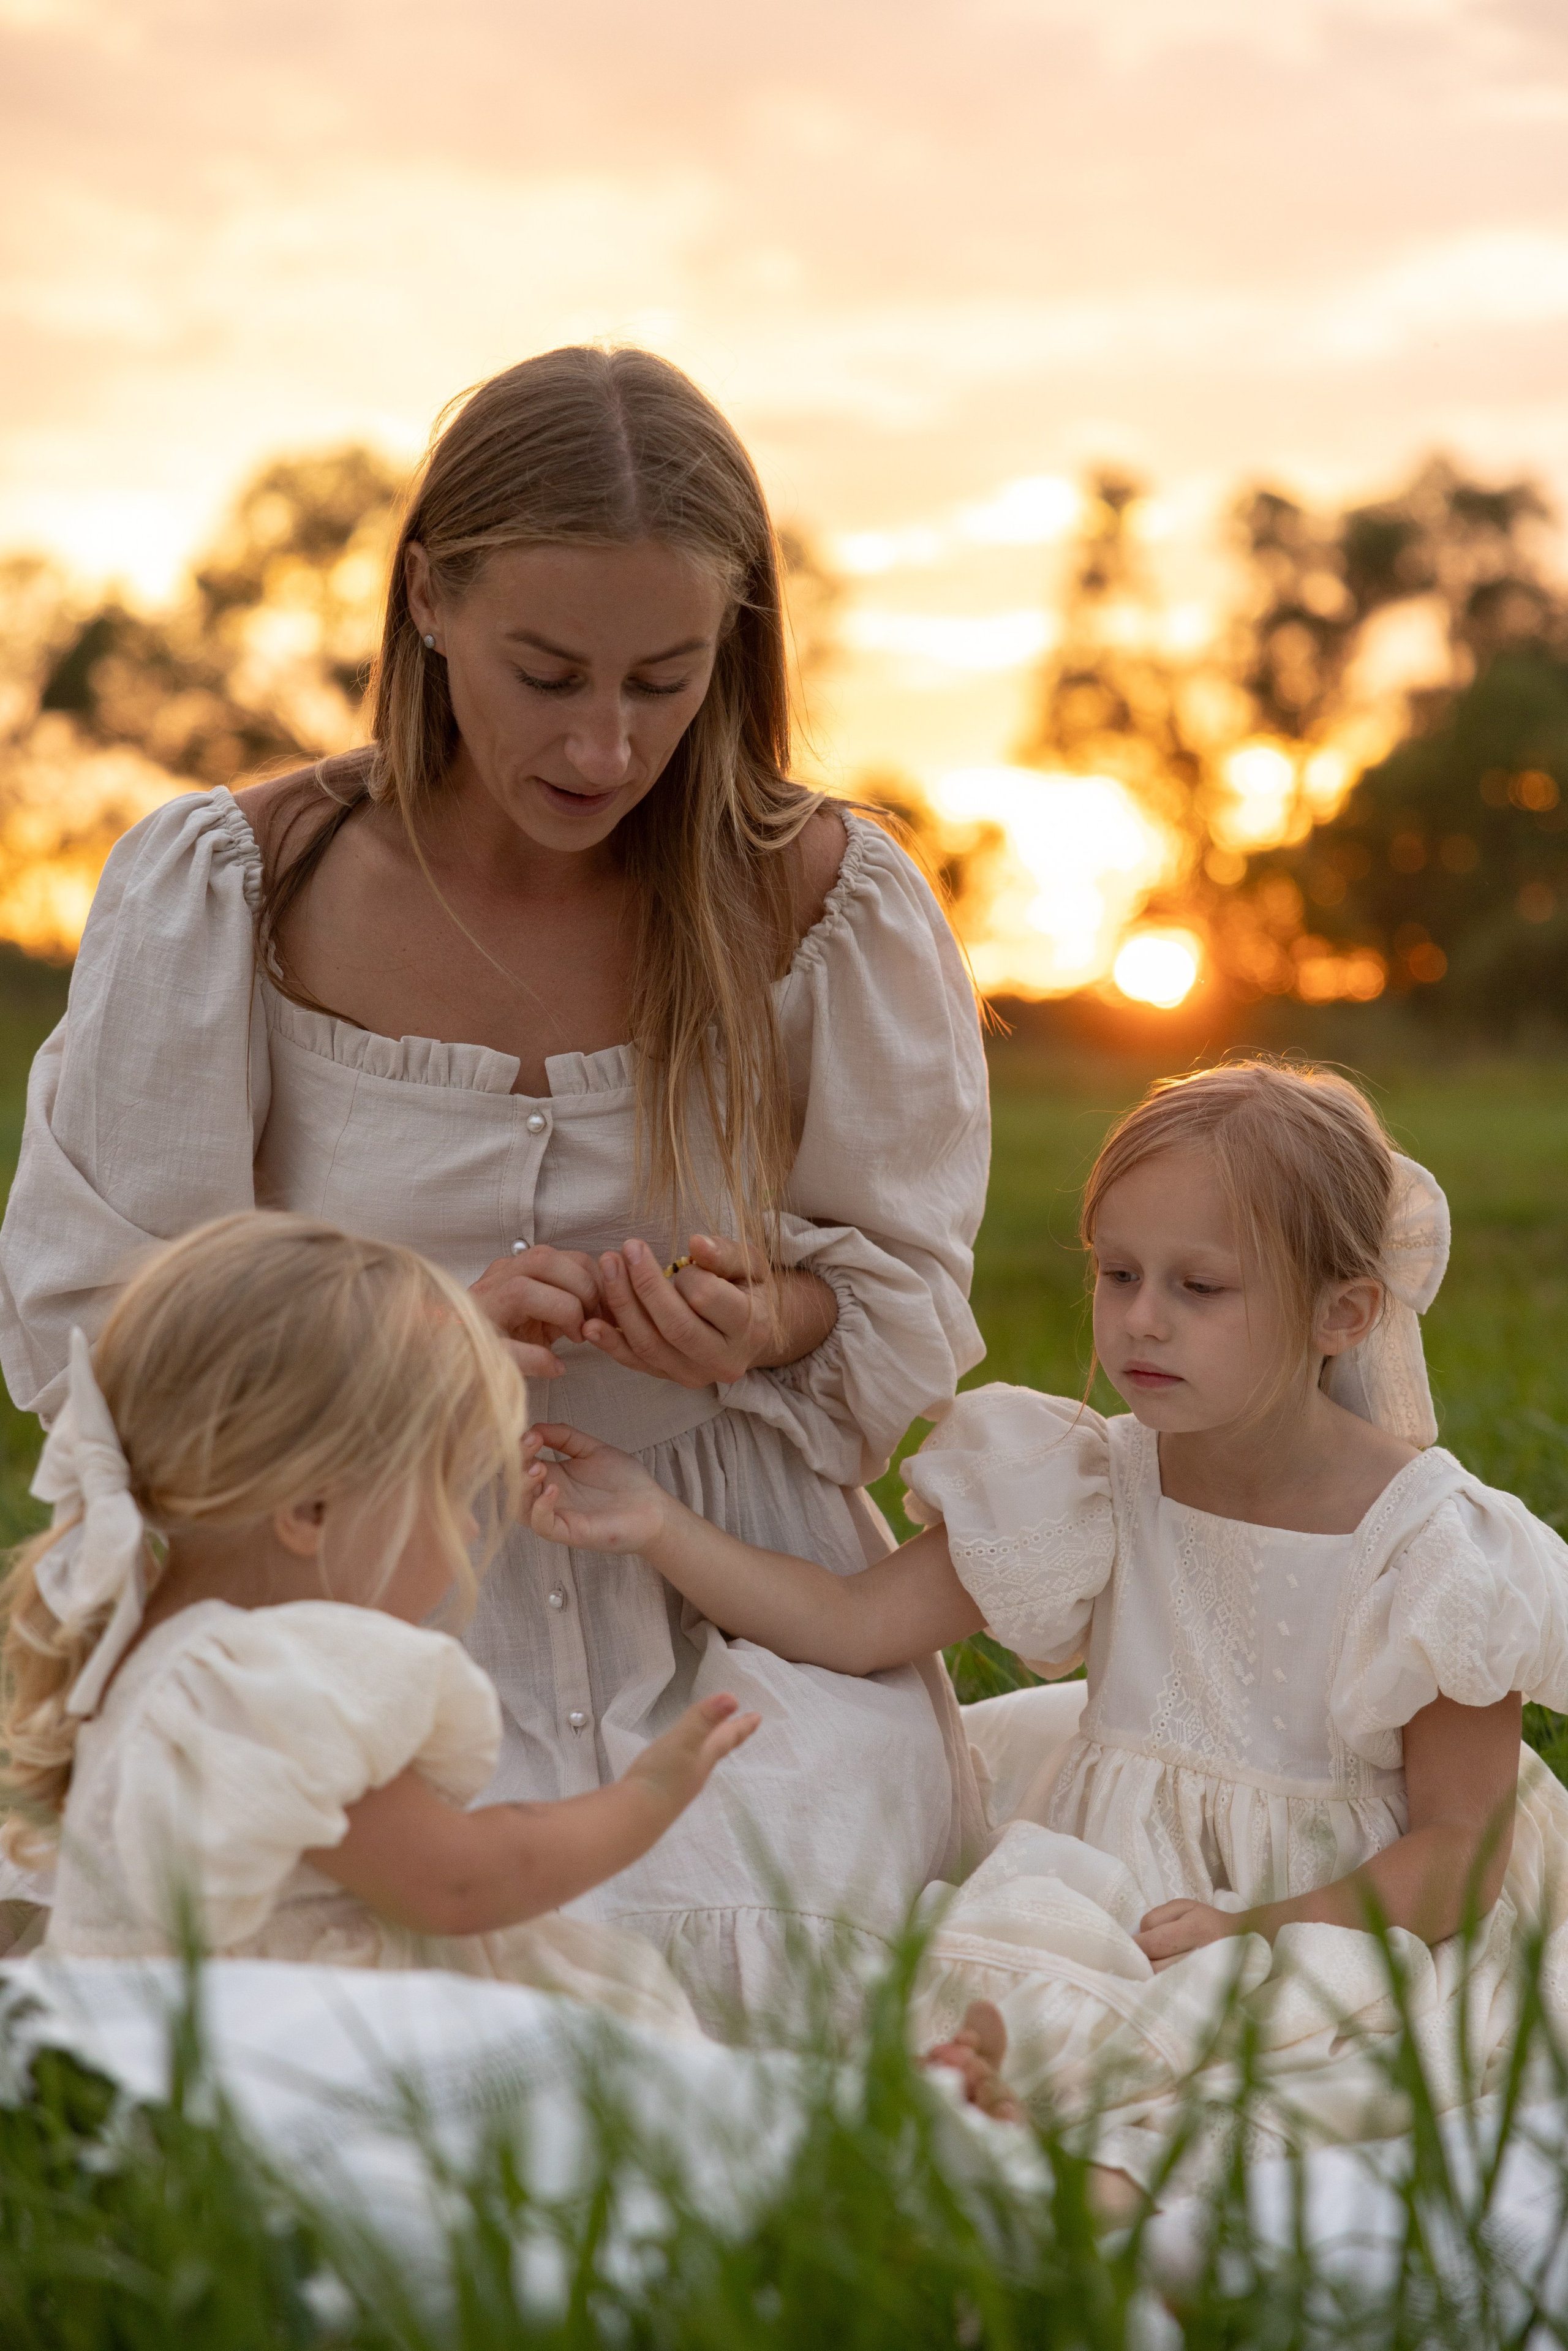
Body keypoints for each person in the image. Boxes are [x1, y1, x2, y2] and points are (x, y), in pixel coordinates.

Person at [0, 347, 990, 2022]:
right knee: (350, 1943)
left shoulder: (824, 897)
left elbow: (895, 1295)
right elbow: (101, 1334)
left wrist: (761, 1317)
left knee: (768, 1888)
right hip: (350, 1577)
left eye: (666, 681)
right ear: (430, 605)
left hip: (726, 1593)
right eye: (547, 673)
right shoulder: (242, 885)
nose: (607, 744)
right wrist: (407, 1349)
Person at [519, 1058, 1568, 2183]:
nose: (1139, 1321)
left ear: (1342, 1311)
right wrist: (659, 1522)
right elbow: (850, 1620)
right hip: (1108, 1871)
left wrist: (1263, 1923)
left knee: (1255, 2058)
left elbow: (1461, 1847)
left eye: (1198, 1288)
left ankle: (1092, 2194)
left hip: (1343, 1900)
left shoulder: (1436, 1549)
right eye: (1119, 1273)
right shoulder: (1090, 1479)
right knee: (1009, 1983)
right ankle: (972, 2145)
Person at [0, 1210, 759, 2039]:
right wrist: (646, 1795)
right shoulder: (273, 1678)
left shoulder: (148, 1656)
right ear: (309, 1509)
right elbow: (459, 1881)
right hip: (298, 2070)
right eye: (445, 1484)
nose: (469, 1530)